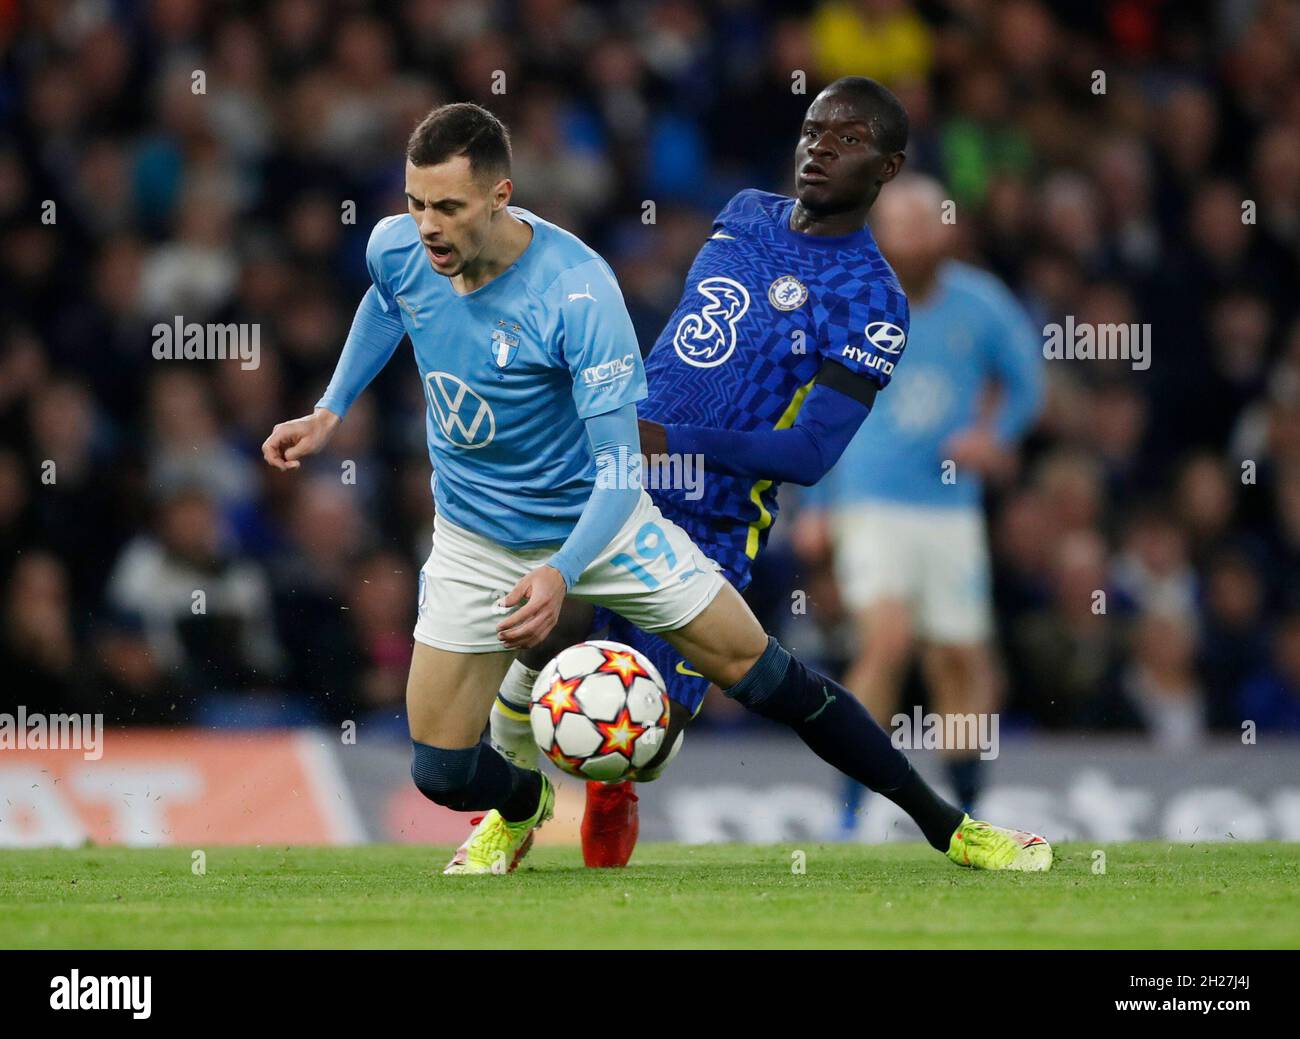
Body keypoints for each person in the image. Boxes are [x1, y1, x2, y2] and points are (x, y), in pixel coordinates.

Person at [263, 101, 1051, 876]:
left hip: (711, 507)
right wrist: (332, 408)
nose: (819, 149)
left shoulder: (872, 301)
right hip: (610, 460)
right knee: (535, 634)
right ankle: (520, 799)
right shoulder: (744, 213)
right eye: (813, 131)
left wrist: (670, 439)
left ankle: (950, 828)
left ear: (887, 169)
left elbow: (810, 452)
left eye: (848, 140)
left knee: (668, 720)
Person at [796, 173, 1044, 832]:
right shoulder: (856, 303)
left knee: (958, 656)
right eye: (898, 225)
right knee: (887, 640)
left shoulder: (981, 304)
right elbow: (821, 407)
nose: (909, 238)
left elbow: (1027, 381)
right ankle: (848, 809)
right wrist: (816, 504)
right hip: (870, 500)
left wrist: (996, 437)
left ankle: (970, 805)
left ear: (946, 231)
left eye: (922, 224)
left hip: (950, 507)